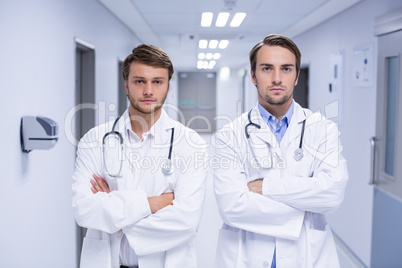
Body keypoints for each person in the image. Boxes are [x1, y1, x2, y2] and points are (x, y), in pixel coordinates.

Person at [213, 34, 348, 267]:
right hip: (245, 256)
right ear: (253, 76)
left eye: (286, 69)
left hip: (308, 256)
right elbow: (232, 207)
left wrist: (265, 187)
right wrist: (304, 204)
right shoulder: (228, 135)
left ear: (296, 76)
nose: (277, 78)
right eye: (267, 69)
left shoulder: (323, 129)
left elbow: (332, 194)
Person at [72, 44, 208, 268]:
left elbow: (186, 221)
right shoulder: (94, 140)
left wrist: (117, 220)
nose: (148, 91)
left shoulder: (190, 144)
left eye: (157, 81)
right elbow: (84, 210)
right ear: (126, 85)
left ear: (167, 87)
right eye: (139, 81)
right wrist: (156, 203)